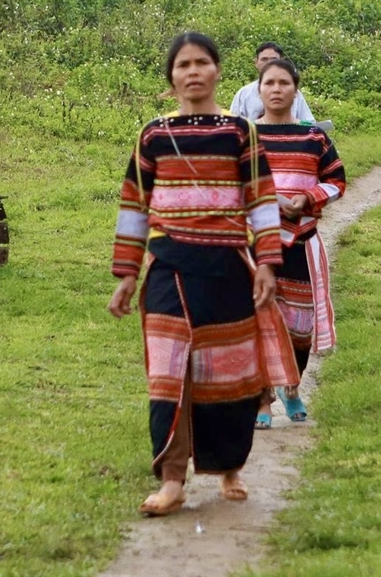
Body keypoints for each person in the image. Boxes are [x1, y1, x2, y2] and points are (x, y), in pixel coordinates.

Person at [109, 31, 299, 517]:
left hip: (230, 271)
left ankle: (229, 465)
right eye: (182, 65)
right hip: (170, 270)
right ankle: (172, 480)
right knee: (168, 376)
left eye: (201, 63)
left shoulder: (240, 132)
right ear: (171, 78)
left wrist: (269, 265)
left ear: (217, 71)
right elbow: (134, 205)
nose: (192, 72)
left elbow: (259, 199)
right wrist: (127, 274)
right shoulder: (152, 135)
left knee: (231, 376)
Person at [252, 57, 347, 428]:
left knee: (300, 325)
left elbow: (337, 181)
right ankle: (262, 400)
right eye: (269, 83)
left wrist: (306, 200)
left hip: (301, 244)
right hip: (255, 244)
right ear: (259, 90)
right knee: (258, 320)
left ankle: (291, 387)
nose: (276, 90)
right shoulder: (245, 136)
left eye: (284, 83)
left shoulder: (314, 137)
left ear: (295, 89)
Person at [229, 42, 314, 121]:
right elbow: (233, 128)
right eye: (264, 59)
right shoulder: (243, 94)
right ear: (256, 62)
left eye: (274, 59)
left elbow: (309, 124)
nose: (269, 63)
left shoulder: (293, 93)